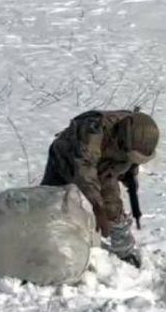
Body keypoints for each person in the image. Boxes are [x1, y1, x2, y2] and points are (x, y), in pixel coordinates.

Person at [41, 109, 159, 268]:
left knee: (112, 208)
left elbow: (129, 162)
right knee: (50, 203)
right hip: (67, 158)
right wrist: (97, 206)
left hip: (106, 164)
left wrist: (130, 178)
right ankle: (43, 245)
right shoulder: (93, 132)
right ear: (122, 139)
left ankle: (124, 251)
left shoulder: (138, 134)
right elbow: (84, 170)